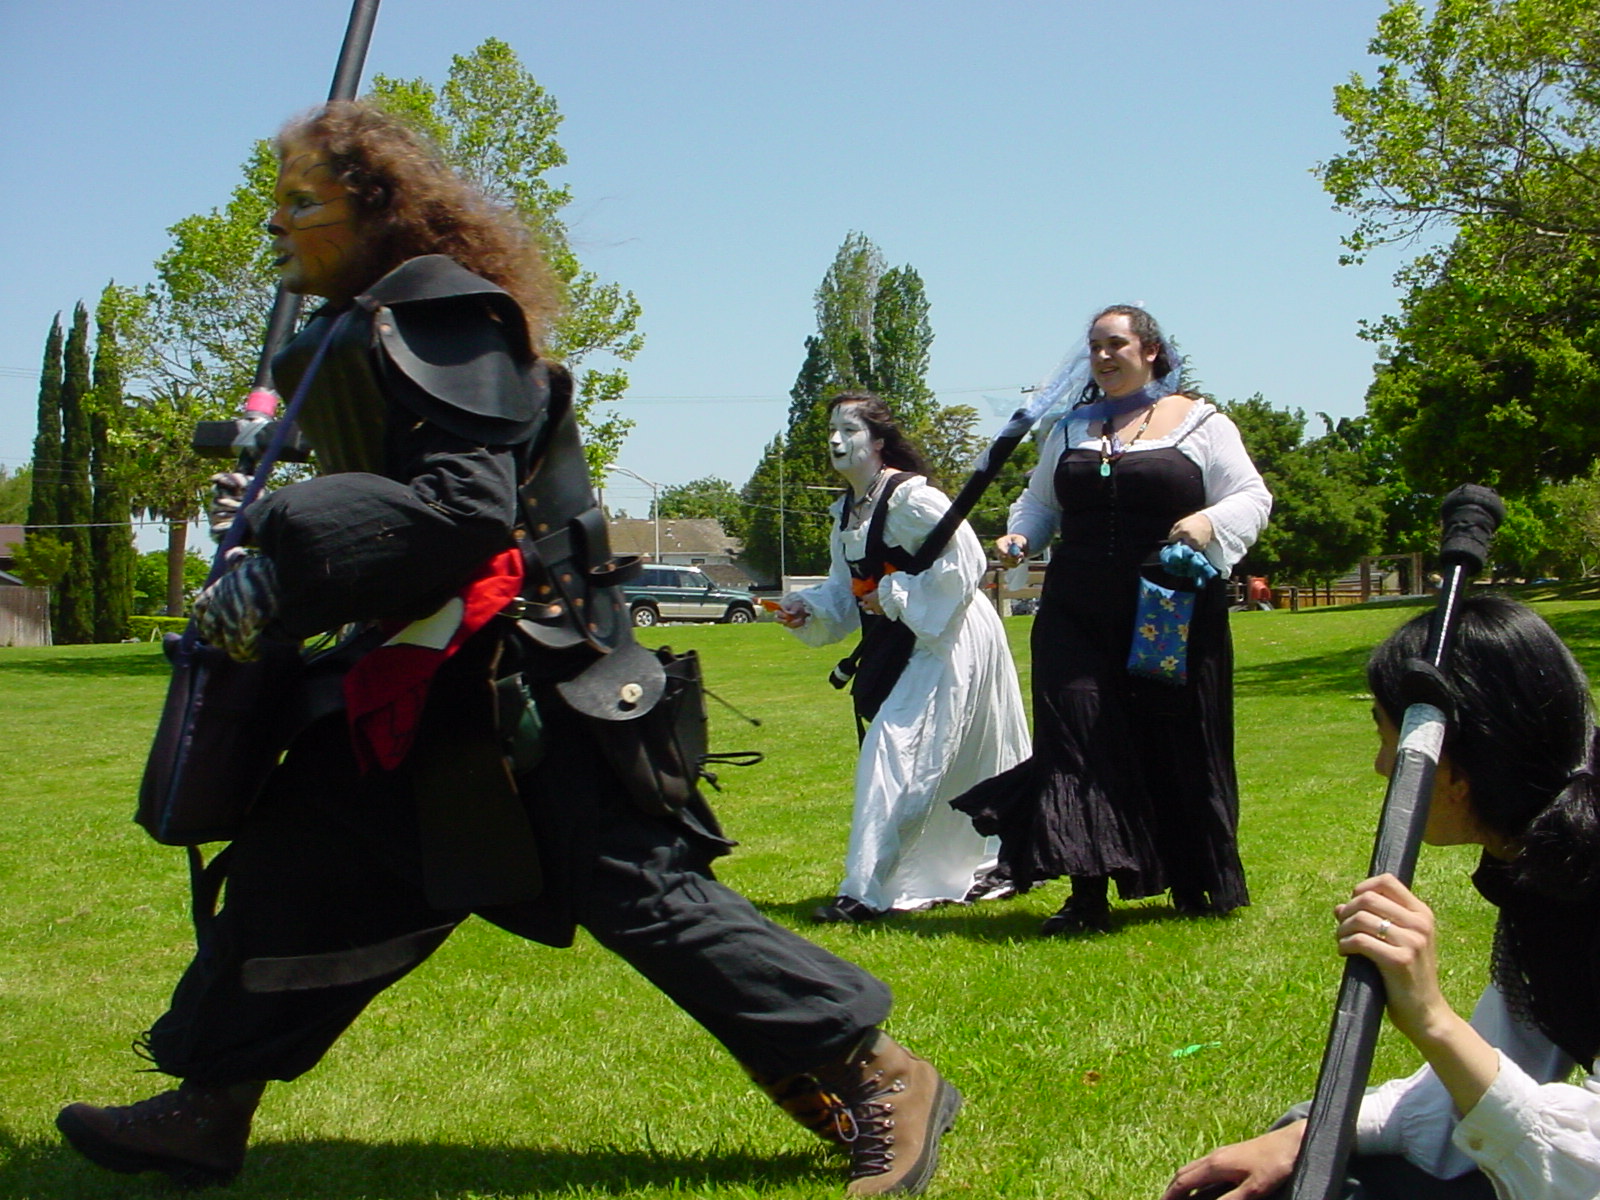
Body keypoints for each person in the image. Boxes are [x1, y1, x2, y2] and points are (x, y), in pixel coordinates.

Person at [55, 102, 961, 1198]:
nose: (275, 223)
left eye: (302, 201)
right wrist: (267, 533)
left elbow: (463, 509)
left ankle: (881, 1073)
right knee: (300, 863)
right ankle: (210, 1104)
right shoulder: (357, 331)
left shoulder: (445, 315)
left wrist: (287, 550)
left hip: (535, 674)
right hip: (412, 673)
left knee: (637, 893)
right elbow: (389, 507)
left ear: (377, 211)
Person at [1162, 594, 1600, 1200]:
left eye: (1388, 739)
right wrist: (1314, 1132)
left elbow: (1584, 1170)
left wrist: (1431, 1017)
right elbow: (1500, 1065)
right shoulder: (1542, 876)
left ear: (1453, 771)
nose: (1379, 765)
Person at [952, 305, 1271, 934]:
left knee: (1173, 737)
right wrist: (1022, 536)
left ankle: (1195, 878)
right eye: (1095, 345)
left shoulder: (1201, 422)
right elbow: (1039, 502)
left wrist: (1207, 522)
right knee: (1077, 736)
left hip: (1167, 607)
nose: (1102, 356)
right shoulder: (1071, 429)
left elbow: (1251, 496)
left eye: (1116, 344)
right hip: (1076, 608)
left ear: (1150, 350)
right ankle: (1086, 893)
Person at [777, 392, 1030, 923]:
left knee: (897, 749)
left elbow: (965, 564)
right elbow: (846, 589)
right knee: (941, 756)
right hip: (914, 634)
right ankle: (980, 863)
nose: (836, 440)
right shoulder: (847, 511)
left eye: (850, 430)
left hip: (951, 633)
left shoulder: (911, 499)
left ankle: (869, 891)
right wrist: (809, 607)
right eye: (831, 430)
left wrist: (895, 594)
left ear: (878, 441)